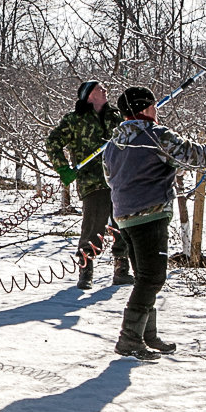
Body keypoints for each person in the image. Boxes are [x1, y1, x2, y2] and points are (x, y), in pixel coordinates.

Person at [102, 86, 206, 360]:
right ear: (146, 108)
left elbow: (110, 177)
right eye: (153, 105)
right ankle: (129, 339)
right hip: (149, 214)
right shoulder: (156, 135)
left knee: (143, 277)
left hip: (124, 217)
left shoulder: (114, 143)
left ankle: (147, 335)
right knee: (153, 278)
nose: (157, 110)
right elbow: (199, 156)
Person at [46, 79, 132, 290]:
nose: (105, 90)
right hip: (93, 181)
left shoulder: (117, 118)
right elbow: (53, 142)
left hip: (120, 179)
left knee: (124, 224)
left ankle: (121, 268)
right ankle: (86, 269)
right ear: (89, 95)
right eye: (100, 88)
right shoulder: (75, 120)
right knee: (93, 225)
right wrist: (63, 168)